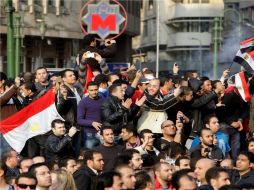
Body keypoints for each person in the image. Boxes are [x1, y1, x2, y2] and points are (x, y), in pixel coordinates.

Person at [77, 81, 105, 149]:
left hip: (102, 133)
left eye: (95, 89)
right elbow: (79, 120)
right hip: (89, 134)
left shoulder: (103, 100)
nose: (94, 92)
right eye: (91, 90)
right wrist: (92, 123)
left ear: (98, 89)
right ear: (87, 90)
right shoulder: (83, 102)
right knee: (90, 155)